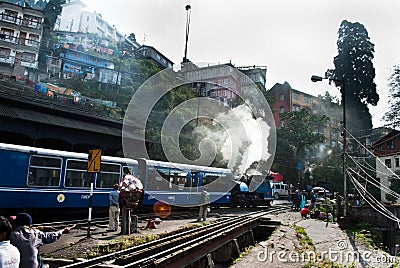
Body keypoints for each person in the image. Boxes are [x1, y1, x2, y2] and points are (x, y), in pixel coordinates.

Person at [119, 168, 143, 235]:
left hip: (125, 204)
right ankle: (129, 230)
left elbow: (122, 191)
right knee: (130, 216)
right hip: (133, 203)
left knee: (125, 217)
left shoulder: (125, 185)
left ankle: (125, 231)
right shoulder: (137, 185)